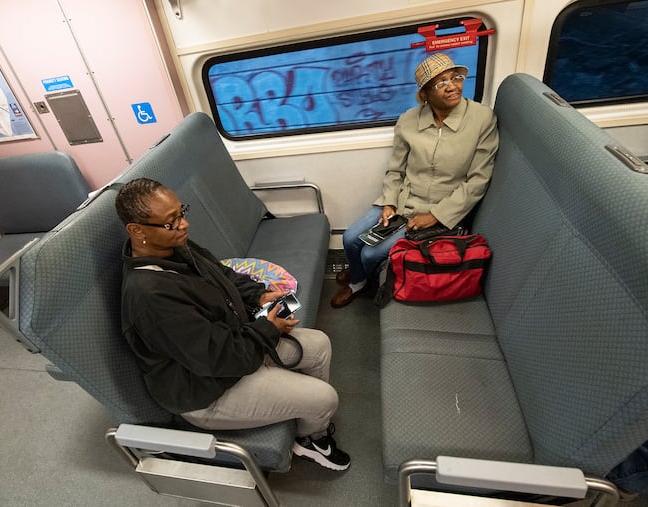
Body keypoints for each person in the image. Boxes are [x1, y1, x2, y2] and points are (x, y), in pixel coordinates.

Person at [115, 178, 350, 471]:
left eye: (181, 213)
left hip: (236, 346)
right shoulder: (150, 296)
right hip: (207, 391)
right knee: (325, 399)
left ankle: (309, 420)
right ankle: (311, 436)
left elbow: (223, 275)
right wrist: (268, 329)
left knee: (319, 345)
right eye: (171, 222)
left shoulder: (174, 248)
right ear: (137, 230)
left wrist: (259, 294)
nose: (184, 225)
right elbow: (218, 357)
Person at [332, 52, 499, 308]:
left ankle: (358, 281)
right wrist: (389, 203)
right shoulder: (409, 120)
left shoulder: (482, 119)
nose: (452, 86)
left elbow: (477, 180)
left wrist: (435, 215)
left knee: (371, 252)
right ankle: (360, 274)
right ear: (425, 94)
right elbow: (395, 170)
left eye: (455, 77)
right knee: (350, 237)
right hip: (403, 199)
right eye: (440, 82)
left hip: (443, 208)